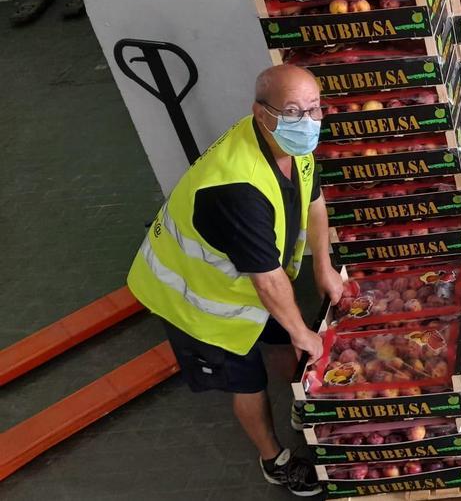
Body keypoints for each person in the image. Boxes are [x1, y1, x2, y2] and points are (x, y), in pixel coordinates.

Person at [126, 64, 343, 496]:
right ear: (260, 112)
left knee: (285, 339)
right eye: (295, 110)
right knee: (247, 380)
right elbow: (265, 279)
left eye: (316, 109)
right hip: (198, 297)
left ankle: (303, 403)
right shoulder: (235, 187)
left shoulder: (292, 141)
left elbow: (315, 202)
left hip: (249, 279)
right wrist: (304, 332)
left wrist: (323, 269)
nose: (308, 121)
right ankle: (273, 459)